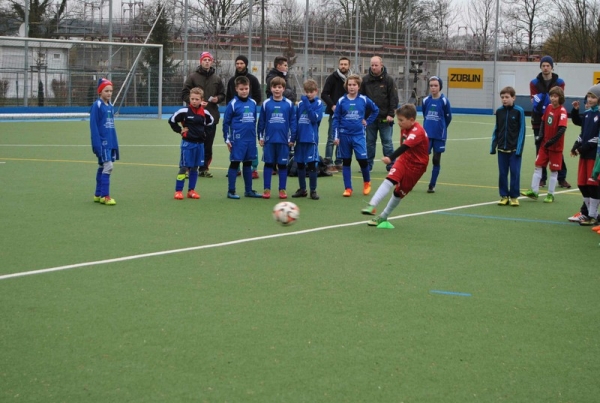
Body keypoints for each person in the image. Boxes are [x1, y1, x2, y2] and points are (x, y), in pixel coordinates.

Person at [360, 104, 429, 228]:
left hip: (417, 166)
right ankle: (372, 205)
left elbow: (405, 146)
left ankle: (383, 216)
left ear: (412, 120)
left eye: (401, 120)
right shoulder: (405, 127)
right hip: (404, 159)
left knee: (398, 193)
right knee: (390, 179)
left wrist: (390, 157)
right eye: (398, 120)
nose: (399, 123)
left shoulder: (417, 131)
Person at [332, 74, 379, 197]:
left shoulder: (363, 99)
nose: (351, 87)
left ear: (358, 86)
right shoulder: (341, 101)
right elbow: (336, 119)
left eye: (354, 85)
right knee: (346, 162)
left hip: (358, 135)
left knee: (363, 161)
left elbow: (376, 110)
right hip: (344, 136)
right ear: (346, 86)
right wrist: (336, 136)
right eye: (349, 85)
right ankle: (348, 188)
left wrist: (367, 121)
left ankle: (367, 183)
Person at [182, 51, 225, 178]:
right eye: (204, 59)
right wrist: (196, 103)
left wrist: (218, 98)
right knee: (192, 143)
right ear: (200, 61)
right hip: (194, 118)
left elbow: (223, 94)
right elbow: (184, 94)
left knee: (208, 144)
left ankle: (204, 168)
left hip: (211, 116)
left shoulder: (217, 79)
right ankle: (189, 168)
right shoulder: (192, 77)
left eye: (209, 60)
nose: (207, 62)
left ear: (212, 62)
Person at [521, 86, 568, 203]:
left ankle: (550, 194)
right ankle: (534, 191)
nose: (553, 99)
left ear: (560, 97)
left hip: (555, 147)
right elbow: (543, 121)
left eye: (555, 96)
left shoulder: (562, 111)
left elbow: (562, 129)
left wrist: (551, 141)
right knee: (538, 166)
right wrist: (540, 136)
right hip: (544, 145)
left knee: (553, 170)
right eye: (551, 96)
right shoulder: (548, 107)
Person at [530, 55, 570, 188]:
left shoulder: (560, 82)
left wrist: (543, 99)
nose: (545, 68)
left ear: (552, 67)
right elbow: (534, 102)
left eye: (548, 65)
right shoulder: (534, 83)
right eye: (543, 65)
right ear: (540, 67)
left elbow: (558, 99)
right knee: (540, 148)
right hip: (539, 120)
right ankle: (542, 178)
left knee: (556, 149)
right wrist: (546, 101)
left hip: (555, 120)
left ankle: (561, 177)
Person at [168, 87, 214, 200]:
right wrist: (180, 130)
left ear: (202, 100)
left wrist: (203, 133)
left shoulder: (205, 113)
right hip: (188, 144)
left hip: (200, 145)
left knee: (195, 168)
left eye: (197, 99)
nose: (194, 101)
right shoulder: (184, 111)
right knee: (184, 167)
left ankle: (191, 191)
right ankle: (178, 191)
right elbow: (172, 120)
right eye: (192, 98)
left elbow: (211, 121)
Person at [223, 76, 263, 199]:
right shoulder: (233, 104)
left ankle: (249, 190)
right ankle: (231, 191)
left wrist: (258, 136)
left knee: (248, 164)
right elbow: (226, 122)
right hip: (238, 139)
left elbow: (255, 121)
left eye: (246, 88)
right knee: (235, 164)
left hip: (250, 139)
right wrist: (227, 139)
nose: (244, 91)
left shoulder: (253, 103)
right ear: (236, 89)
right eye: (241, 89)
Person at [258, 76, 297, 199]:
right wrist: (261, 136)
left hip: (284, 141)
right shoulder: (266, 104)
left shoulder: (289, 104)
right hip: (269, 141)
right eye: (274, 87)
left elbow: (293, 122)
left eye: (279, 87)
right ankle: (266, 189)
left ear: (283, 89)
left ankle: (282, 189)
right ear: (271, 88)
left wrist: (292, 138)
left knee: (282, 166)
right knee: (268, 164)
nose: (277, 90)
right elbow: (262, 122)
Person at [226, 55, 262, 180]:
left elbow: (258, 96)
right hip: (236, 117)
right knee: (235, 142)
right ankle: (235, 167)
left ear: (246, 64)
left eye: (242, 63)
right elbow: (228, 98)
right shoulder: (231, 80)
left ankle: (254, 168)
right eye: (237, 63)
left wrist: (249, 105)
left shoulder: (253, 79)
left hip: (248, 116)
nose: (239, 65)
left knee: (251, 142)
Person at [360, 56, 398, 172]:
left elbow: (394, 98)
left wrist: (391, 114)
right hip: (370, 119)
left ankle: (391, 165)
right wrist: (362, 116)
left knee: (387, 142)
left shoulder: (389, 80)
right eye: (372, 65)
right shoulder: (365, 80)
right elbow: (361, 99)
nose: (374, 67)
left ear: (381, 65)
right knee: (369, 143)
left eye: (376, 65)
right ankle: (368, 165)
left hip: (385, 118)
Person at [490, 86, 526, 207]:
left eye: (507, 97)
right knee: (502, 173)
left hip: (514, 149)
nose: (504, 99)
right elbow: (497, 129)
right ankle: (504, 195)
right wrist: (493, 146)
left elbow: (522, 131)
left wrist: (519, 148)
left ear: (513, 98)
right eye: (502, 97)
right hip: (501, 149)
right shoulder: (499, 111)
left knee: (515, 173)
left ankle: (514, 196)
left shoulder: (519, 111)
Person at [570, 84, 600, 226]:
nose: (590, 99)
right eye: (588, 96)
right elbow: (583, 134)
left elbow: (596, 139)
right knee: (582, 184)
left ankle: (593, 215)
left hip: (594, 156)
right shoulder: (587, 114)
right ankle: (589, 213)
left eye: (593, 97)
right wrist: (575, 146)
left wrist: (582, 149)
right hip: (584, 156)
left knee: (592, 184)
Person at [291, 79, 323, 200]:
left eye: (311, 91)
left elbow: (314, 119)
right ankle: (302, 189)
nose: (309, 94)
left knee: (311, 165)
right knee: (299, 164)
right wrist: (293, 138)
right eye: (307, 92)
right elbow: (296, 121)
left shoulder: (318, 104)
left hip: (311, 139)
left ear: (316, 91)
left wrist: (307, 104)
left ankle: (313, 190)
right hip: (300, 139)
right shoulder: (299, 105)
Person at [91, 78, 119, 206]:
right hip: (102, 143)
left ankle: (98, 194)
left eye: (111, 91)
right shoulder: (97, 105)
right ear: (100, 92)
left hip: (110, 142)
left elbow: (111, 127)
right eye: (106, 91)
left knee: (102, 166)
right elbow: (94, 126)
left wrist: (114, 142)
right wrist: (96, 143)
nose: (109, 93)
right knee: (108, 166)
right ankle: (105, 196)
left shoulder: (110, 106)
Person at [422, 76, 452, 193]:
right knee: (422, 159)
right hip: (427, 135)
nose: (433, 88)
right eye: (431, 86)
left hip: (439, 135)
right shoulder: (425, 101)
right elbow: (425, 114)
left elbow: (448, 117)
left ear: (440, 87)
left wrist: (442, 127)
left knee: (436, 159)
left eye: (436, 85)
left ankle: (432, 184)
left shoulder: (444, 101)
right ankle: (412, 180)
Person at [321, 56, 351, 173]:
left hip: (347, 114)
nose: (343, 66)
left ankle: (339, 162)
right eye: (341, 64)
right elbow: (324, 94)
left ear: (349, 66)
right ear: (339, 65)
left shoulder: (352, 79)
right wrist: (332, 106)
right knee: (331, 138)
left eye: (345, 64)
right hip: (334, 114)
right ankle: (328, 163)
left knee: (342, 138)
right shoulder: (332, 78)